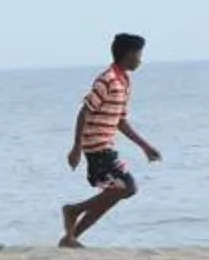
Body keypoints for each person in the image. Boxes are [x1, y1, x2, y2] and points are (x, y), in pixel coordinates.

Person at [62, 32, 160, 248]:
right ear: (128, 54)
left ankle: (71, 237)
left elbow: (120, 121)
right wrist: (76, 148)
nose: (140, 60)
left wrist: (145, 146)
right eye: (138, 54)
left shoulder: (124, 81)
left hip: (106, 146)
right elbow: (84, 112)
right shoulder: (107, 80)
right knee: (127, 188)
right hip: (96, 147)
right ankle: (73, 211)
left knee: (115, 193)